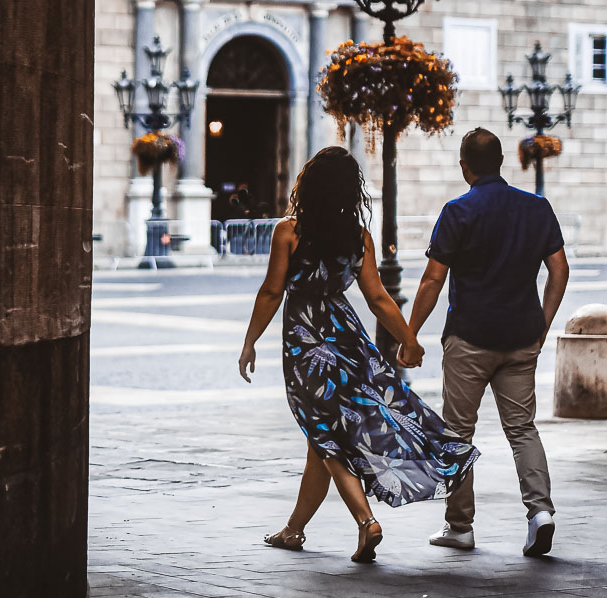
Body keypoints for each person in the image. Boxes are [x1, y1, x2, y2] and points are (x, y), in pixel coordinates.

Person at [236, 148, 479, 563]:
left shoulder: (288, 232)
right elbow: (378, 298)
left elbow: (272, 291)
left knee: (324, 435)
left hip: (305, 345)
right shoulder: (358, 237)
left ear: (309, 185)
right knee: (322, 436)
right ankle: (293, 530)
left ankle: (366, 522)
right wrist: (409, 340)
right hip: (348, 338)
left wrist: (249, 342)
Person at [406, 128, 570, 556]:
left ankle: (460, 526)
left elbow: (432, 280)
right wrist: (542, 324)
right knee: (522, 429)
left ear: (465, 167)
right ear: (500, 162)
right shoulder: (536, 207)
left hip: (470, 339)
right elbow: (559, 269)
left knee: (458, 432)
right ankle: (540, 513)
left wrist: (409, 334)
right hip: (521, 338)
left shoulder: (458, 211)